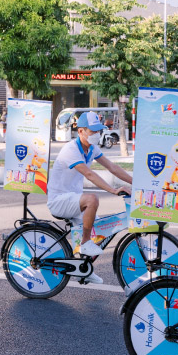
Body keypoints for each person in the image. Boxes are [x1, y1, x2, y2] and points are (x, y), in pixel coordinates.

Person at [47, 111, 131, 284]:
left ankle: (83, 269)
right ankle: (85, 243)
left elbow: (113, 167)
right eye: (93, 131)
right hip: (59, 201)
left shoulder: (91, 148)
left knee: (101, 232)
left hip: (74, 200)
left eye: (98, 130)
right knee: (92, 199)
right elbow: (89, 174)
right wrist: (113, 190)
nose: (97, 134)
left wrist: (137, 183)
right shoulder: (71, 149)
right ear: (81, 131)